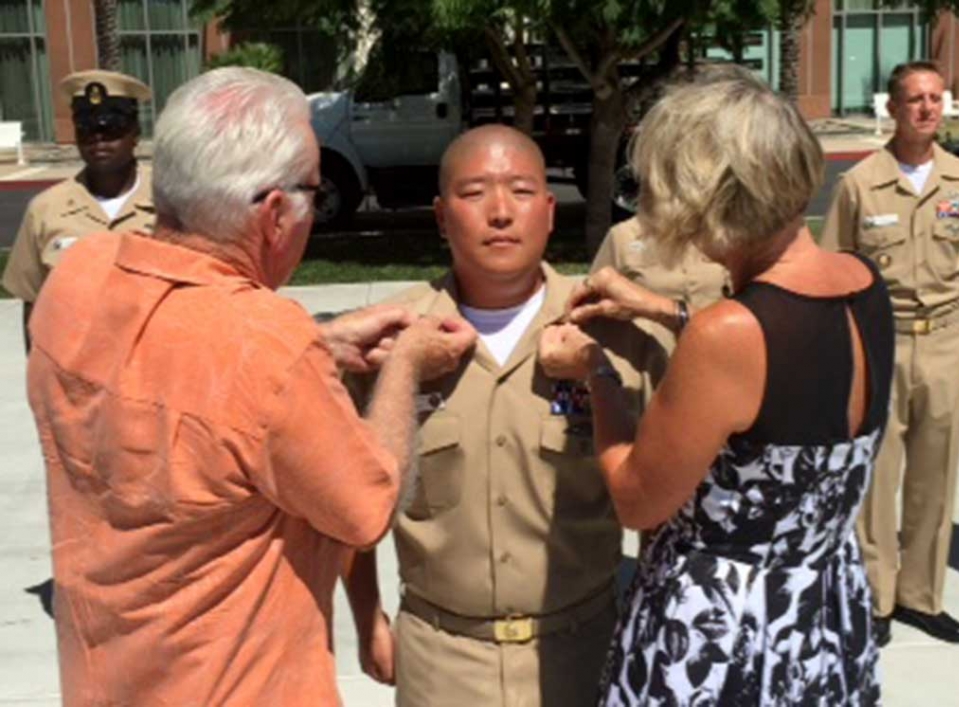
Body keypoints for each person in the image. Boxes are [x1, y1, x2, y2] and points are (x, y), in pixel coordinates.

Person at [25, 67, 476, 706]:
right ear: (272, 215)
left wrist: (322, 343)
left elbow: (169, 377)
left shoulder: (79, 277)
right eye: (314, 195)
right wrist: (404, 365)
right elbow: (366, 507)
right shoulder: (267, 345)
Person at [539, 68, 892, 705]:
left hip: (726, 630)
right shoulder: (863, 285)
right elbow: (785, 376)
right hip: (823, 614)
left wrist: (597, 376)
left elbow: (637, 500)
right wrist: (659, 309)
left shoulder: (728, 333)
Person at [343, 125, 667, 707]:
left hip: (584, 651)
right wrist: (367, 616)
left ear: (548, 210)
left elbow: (665, 496)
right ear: (442, 217)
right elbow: (349, 500)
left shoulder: (614, 337)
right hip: (442, 661)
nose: (499, 212)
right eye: (474, 194)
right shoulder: (386, 344)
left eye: (520, 191)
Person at [821, 60, 959, 647]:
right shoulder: (861, 183)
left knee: (936, 475)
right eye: (915, 99)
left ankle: (920, 597)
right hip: (884, 342)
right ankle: (875, 597)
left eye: (936, 98)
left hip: (947, 342)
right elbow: (835, 268)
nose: (926, 108)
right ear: (892, 107)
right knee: (878, 480)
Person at [3, 70, 155, 350]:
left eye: (110, 128)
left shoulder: (171, 202)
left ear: (135, 132)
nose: (98, 139)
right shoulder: (46, 210)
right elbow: (33, 307)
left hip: (158, 378)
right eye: (86, 129)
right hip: (76, 385)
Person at [592, 215, 730, 352]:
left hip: (723, 355)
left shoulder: (728, 233)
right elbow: (592, 314)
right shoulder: (624, 235)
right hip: (654, 363)